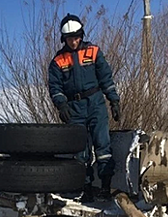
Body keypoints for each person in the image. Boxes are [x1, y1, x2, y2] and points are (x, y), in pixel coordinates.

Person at [48, 13, 121, 202]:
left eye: (77, 37)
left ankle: (105, 186)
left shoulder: (93, 52)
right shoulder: (58, 60)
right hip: (74, 108)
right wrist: (61, 104)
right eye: (71, 38)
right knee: (81, 152)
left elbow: (106, 78)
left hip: (95, 103)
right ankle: (85, 188)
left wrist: (114, 101)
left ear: (82, 34)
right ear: (64, 39)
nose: (74, 41)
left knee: (103, 146)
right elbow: (55, 86)